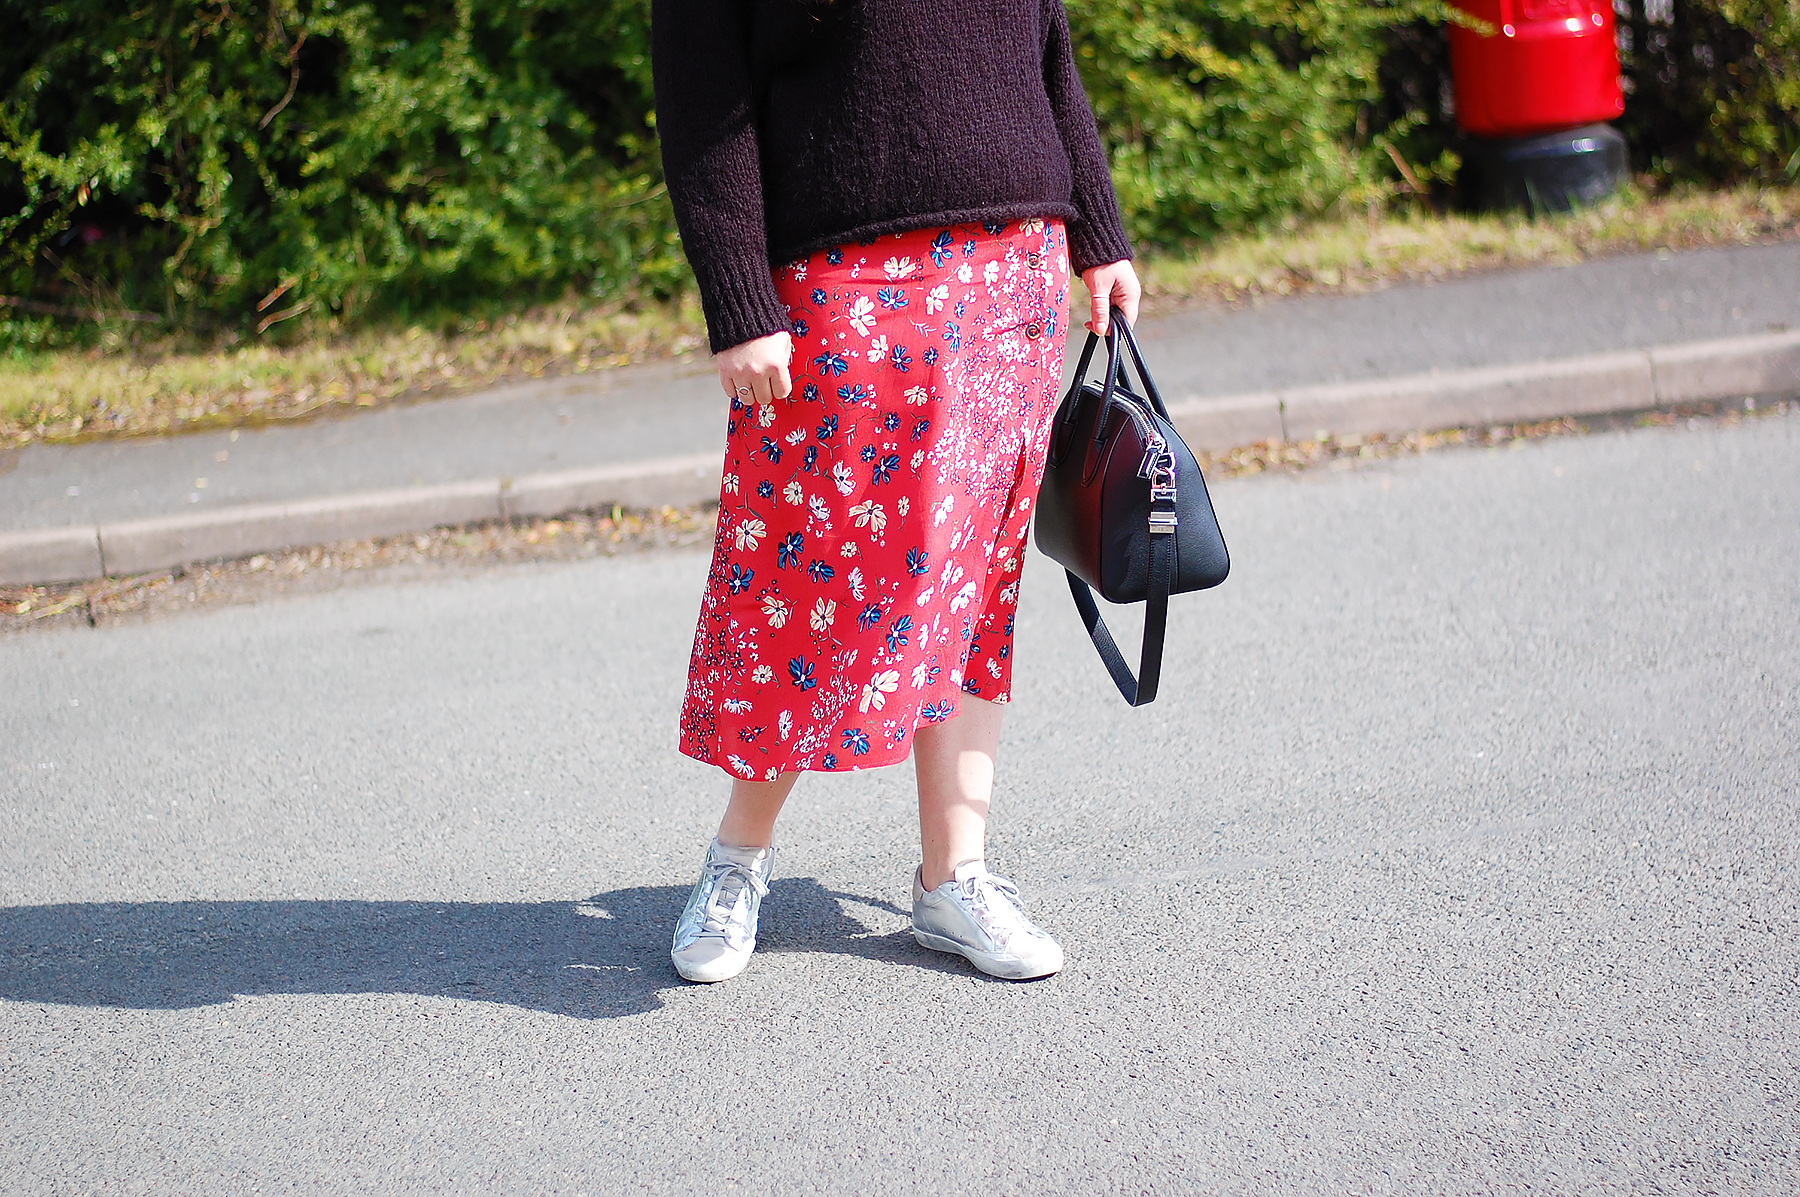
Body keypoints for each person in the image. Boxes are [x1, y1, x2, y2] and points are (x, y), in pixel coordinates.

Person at [651, 0, 1140, 983]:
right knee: (810, 586)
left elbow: (1046, 50)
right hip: (843, 283)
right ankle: (738, 860)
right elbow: (704, 99)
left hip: (1015, 269)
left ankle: (955, 876)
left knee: (975, 585)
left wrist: (1099, 229)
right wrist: (739, 299)